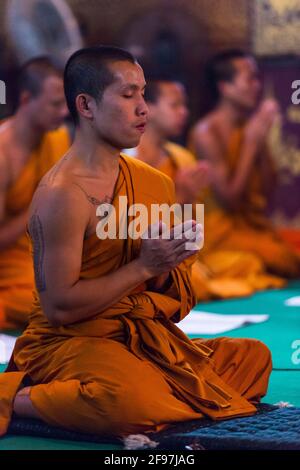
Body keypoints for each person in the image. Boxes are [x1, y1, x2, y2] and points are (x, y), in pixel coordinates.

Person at [0, 46, 272, 438]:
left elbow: (173, 294)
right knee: (126, 401)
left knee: (253, 358)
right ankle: (16, 396)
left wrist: (177, 258)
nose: (143, 107)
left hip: (141, 336)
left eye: (143, 93)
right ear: (86, 105)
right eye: (128, 96)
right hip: (72, 343)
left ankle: (138, 394)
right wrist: (144, 266)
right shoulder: (62, 193)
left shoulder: (155, 183)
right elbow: (59, 308)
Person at [132, 78, 284, 300]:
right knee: (192, 280)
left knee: (244, 265)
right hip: (143, 255)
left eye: (185, 106)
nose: (183, 112)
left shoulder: (181, 158)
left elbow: (192, 228)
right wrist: (180, 197)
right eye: (175, 105)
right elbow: (126, 227)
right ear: (149, 108)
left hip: (186, 250)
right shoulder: (127, 159)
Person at [189, 49, 300, 278]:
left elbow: (269, 191)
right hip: (216, 232)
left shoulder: (248, 127)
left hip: (249, 226)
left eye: (257, 78)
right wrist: (251, 143)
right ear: (225, 87)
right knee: (280, 260)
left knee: (288, 254)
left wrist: (258, 143)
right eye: (249, 78)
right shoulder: (206, 132)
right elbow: (229, 201)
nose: (257, 85)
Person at [0, 58, 70, 328]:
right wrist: (39, 205)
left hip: (50, 256)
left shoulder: (58, 138)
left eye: (66, 103)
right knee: (52, 300)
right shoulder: (3, 154)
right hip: (10, 273)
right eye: (55, 103)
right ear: (27, 98)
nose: (64, 112)